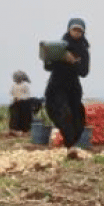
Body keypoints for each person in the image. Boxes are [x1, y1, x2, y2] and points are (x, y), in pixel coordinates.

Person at [44, 18, 91, 147]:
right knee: (64, 114)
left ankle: (71, 145)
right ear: (69, 30)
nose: (77, 32)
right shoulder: (60, 46)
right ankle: (70, 147)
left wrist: (74, 62)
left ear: (83, 33)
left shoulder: (83, 50)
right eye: (74, 29)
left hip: (73, 89)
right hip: (57, 86)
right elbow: (48, 67)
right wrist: (52, 58)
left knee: (78, 119)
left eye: (79, 30)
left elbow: (84, 72)